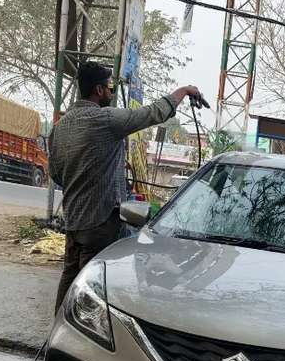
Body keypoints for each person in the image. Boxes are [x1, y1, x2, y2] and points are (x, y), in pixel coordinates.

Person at [50, 61, 203, 311]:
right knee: (94, 286)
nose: (111, 92)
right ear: (99, 90)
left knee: (69, 278)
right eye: (110, 87)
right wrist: (183, 91)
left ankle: (57, 332)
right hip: (100, 222)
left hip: (74, 220)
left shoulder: (61, 127)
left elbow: (57, 174)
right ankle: (82, 341)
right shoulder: (104, 120)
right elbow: (153, 113)